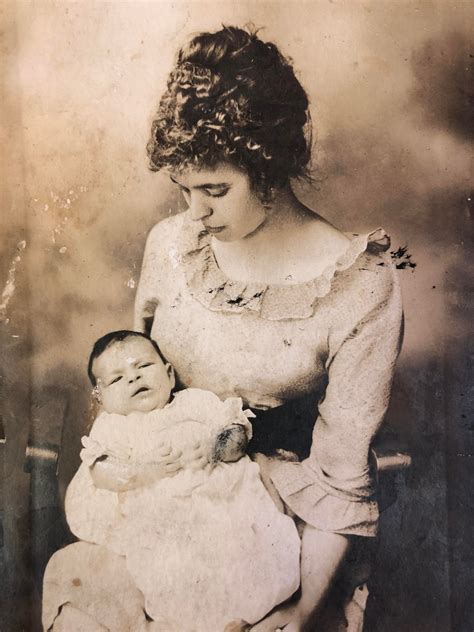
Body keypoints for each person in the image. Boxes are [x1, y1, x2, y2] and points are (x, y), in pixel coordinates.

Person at [133, 25, 404, 631]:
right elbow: (134, 400)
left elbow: (341, 481)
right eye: (183, 190)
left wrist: (299, 613)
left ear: (270, 166)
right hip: (167, 513)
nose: (195, 214)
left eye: (215, 190)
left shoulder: (362, 283)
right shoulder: (172, 246)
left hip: (294, 537)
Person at [45, 331, 300, 631]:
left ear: (168, 374)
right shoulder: (111, 427)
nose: (133, 378)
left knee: (252, 554)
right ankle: (213, 621)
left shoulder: (195, 402)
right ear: (101, 397)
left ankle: (251, 616)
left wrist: (216, 447)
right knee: (176, 573)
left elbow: (238, 433)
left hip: (224, 501)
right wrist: (140, 471)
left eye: (143, 367)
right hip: (167, 522)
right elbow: (100, 472)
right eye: (117, 378)